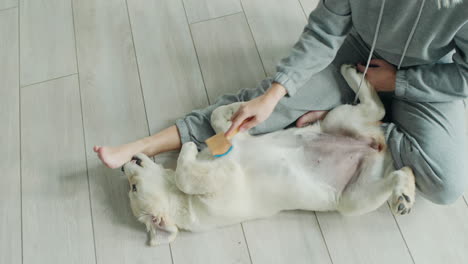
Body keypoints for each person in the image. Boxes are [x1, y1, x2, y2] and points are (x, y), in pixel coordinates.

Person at [94, 0, 468, 205]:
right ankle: (143, 146)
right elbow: (324, 31)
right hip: (357, 54)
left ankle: (355, 119)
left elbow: (465, 74)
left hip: (427, 76)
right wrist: (275, 93)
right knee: (255, 113)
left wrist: (400, 81)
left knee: (446, 184)